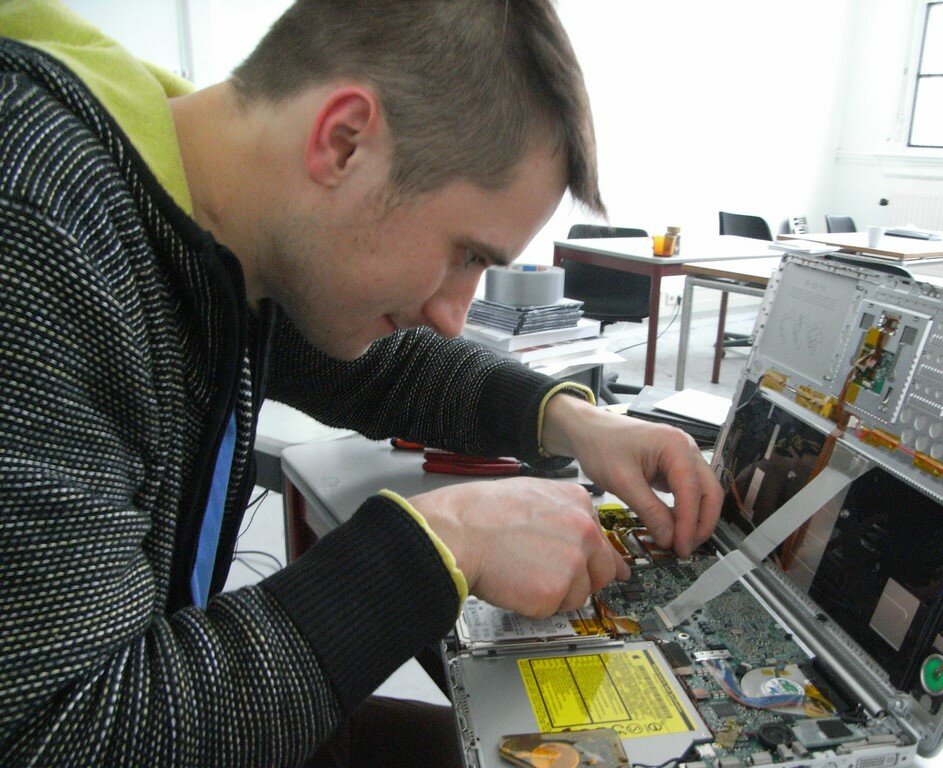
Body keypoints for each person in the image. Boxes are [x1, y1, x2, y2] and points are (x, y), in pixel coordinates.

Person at [0, 1, 722, 765]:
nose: (454, 316)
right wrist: (447, 543)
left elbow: (386, 367)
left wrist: (572, 421)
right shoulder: (37, 224)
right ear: (343, 141)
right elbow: (66, 734)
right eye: (464, 254)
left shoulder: (210, 214)